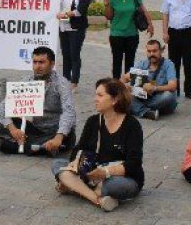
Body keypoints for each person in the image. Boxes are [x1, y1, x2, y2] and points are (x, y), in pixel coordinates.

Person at [52, 78, 143, 212]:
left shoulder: (132, 125)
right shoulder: (93, 121)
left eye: (100, 95)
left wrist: (105, 172)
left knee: (114, 186)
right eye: (95, 95)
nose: (95, 99)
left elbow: (134, 163)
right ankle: (97, 199)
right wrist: (75, 163)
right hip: (92, 172)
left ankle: (76, 187)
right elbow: (78, 149)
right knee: (58, 164)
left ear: (115, 99)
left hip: (120, 177)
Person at [0, 46, 76, 156]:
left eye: (42, 62)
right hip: (33, 128)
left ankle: (24, 145)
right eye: (35, 62)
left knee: (67, 134)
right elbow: (2, 107)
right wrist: (13, 129)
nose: (37, 66)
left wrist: (59, 137)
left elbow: (69, 112)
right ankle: (35, 146)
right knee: (1, 122)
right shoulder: (26, 81)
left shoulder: (61, 84)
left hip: (53, 130)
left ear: (52, 64)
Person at [104, 0, 154, 80]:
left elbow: (144, 10)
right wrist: (107, 5)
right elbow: (109, 17)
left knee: (130, 61)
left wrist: (150, 25)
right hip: (116, 35)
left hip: (132, 34)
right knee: (117, 61)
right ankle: (116, 84)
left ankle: (127, 85)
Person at [122, 39, 177, 119]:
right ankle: (146, 112)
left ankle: (137, 108)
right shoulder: (141, 64)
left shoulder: (168, 64)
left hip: (159, 98)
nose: (152, 54)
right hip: (143, 97)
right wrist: (124, 86)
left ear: (161, 51)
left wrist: (154, 88)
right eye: (149, 51)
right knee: (124, 92)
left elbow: (173, 86)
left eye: (155, 51)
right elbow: (124, 78)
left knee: (169, 95)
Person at [58, 0, 93, 88]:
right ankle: (65, 80)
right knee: (65, 54)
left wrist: (66, 14)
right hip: (63, 26)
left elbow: (80, 11)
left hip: (76, 28)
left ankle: (74, 81)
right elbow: (57, 2)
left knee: (74, 54)